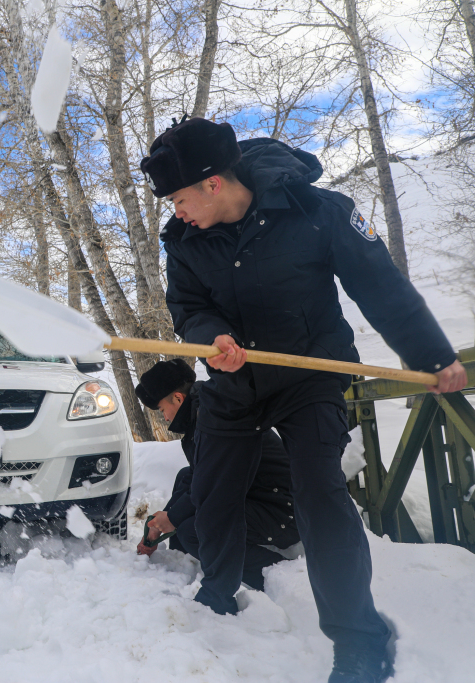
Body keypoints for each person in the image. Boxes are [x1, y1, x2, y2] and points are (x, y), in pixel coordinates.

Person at [140, 117, 467, 683]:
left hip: (307, 377)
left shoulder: (319, 212)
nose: (176, 212)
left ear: (213, 182)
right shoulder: (184, 241)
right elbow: (188, 306)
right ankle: (217, 592)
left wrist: (433, 358)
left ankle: (359, 641)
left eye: (179, 198)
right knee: (214, 492)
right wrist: (210, 337)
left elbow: (380, 287)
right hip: (233, 385)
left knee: (319, 493)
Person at [133, 359, 299, 592]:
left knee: (198, 530)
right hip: (256, 497)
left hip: (282, 510)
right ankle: (182, 559)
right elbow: (200, 476)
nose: (165, 418)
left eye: (162, 410)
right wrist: (167, 519)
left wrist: (174, 518)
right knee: (185, 477)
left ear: (179, 398)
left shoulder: (214, 418)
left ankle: (279, 576)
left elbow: (215, 483)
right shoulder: (203, 414)